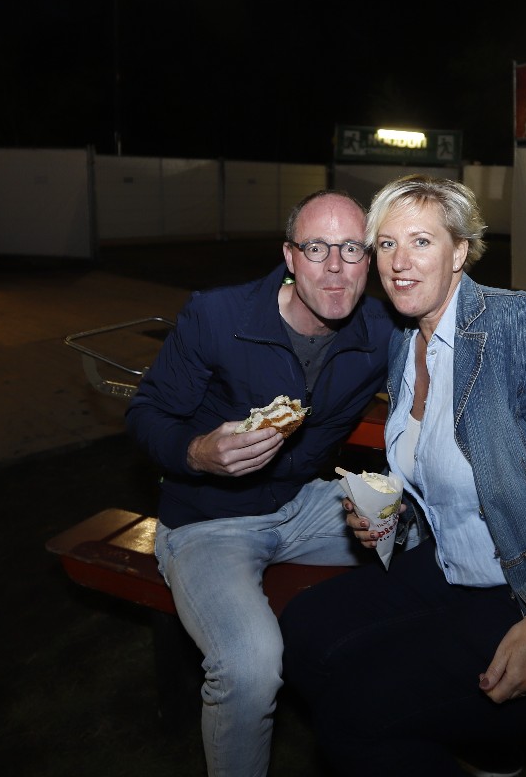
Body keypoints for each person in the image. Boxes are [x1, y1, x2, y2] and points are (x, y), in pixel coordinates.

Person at [280, 176, 526, 776]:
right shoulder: (404, 343)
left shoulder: (524, 328)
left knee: (352, 717)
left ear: (460, 251)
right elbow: (439, 485)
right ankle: (476, 747)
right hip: (456, 569)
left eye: (421, 242)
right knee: (303, 633)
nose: (399, 263)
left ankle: (476, 747)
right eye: (386, 245)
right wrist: (390, 517)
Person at [124, 189, 396, 777]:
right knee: (249, 666)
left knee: (436, 528)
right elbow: (146, 414)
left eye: (351, 249)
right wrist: (198, 452)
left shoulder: (381, 333)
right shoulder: (219, 317)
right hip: (207, 523)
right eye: (317, 247)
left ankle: (460, 712)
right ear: (290, 257)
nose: (334, 267)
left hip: (305, 506)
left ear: (370, 260)